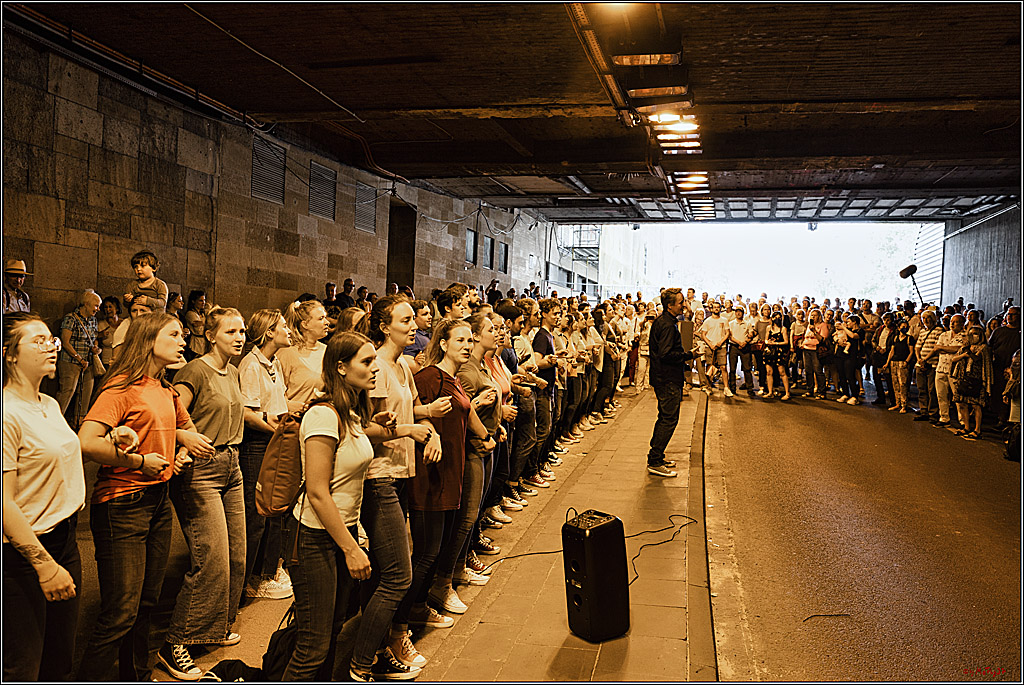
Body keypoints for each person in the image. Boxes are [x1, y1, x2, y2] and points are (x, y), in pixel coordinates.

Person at [77, 312, 214, 681]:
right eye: (174, 334)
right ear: (149, 339)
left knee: (145, 605)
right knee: (121, 611)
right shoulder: (122, 386)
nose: (183, 339)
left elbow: (186, 427)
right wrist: (138, 460)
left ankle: (135, 676)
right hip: (122, 504)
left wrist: (183, 447)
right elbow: (87, 442)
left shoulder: (165, 387)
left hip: (157, 500)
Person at [284, 331, 413, 681]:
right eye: (366, 362)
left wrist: (384, 427)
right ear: (341, 367)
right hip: (315, 538)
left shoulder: (350, 412)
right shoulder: (323, 416)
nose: (375, 369)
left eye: (375, 360)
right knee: (312, 649)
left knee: (330, 636)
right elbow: (317, 492)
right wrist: (351, 548)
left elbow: (356, 442)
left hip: (338, 535)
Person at [350, 298, 441, 680]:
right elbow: (365, 426)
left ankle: (385, 641)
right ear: (385, 326)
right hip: (379, 475)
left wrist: (431, 426)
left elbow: (413, 411)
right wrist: (407, 429)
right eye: (405, 320)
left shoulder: (403, 364)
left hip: (402, 473)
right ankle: (362, 661)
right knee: (397, 575)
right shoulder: (378, 369)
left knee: (391, 570)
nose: (414, 325)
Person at [162, 308, 248, 677]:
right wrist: (185, 442)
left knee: (238, 556)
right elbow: (172, 412)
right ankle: (176, 640)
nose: (240, 336)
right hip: (202, 470)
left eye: (242, 330)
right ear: (211, 335)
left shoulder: (233, 370)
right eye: (231, 331)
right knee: (211, 557)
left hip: (232, 464)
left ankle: (212, 627)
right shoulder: (195, 370)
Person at [3, 313, 86, 680]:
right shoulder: (6, 414)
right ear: (10, 354)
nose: (52, 345)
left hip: (65, 538)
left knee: (59, 658)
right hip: (23, 552)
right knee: (23, 666)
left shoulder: (49, 404)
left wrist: (116, 441)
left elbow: (56, 454)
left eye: (52, 339)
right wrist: (43, 564)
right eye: (38, 340)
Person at [238, 310, 292, 601]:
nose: (288, 330)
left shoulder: (274, 363)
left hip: (274, 438)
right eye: (283, 326)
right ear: (269, 332)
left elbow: (277, 403)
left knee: (273, 510)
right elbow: (248, 413)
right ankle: (244, 582)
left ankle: (265, 573)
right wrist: (274, 427)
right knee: (255, 513)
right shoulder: (250, 364)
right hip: (258, 443)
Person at [647, 288, 693, 477]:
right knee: (668, 419)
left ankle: (657, 456)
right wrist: (689, 355)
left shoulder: (666, 321)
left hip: (665, 378)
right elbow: (665, 354)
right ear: (670, 305)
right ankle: (655, 460)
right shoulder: (666, 325)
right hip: (667, 380)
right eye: (681, 302)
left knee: (665, 418)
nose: (684, 305)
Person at [56, 289, 102, 425]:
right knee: (67, 392)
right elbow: (65, 341)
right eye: (96, 305)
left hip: (88, 363)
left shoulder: (93, 320)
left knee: (85, 395)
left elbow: (94, 339)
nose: (98, 309)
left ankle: (80, 424)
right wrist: (78, 359)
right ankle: (56, 422)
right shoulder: (71, 318)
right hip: (71, 362)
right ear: (86, 304)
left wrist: (95, 348)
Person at [278, 300, 329, 412]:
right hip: (294, 419)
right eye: (321, 319)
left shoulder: (327, 350)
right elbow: (276, 394)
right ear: (305, 324)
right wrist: (289, 405)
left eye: (325, 317)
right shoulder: (287, 353)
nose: (327, 322)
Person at [951, 326, 993, 440]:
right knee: (962, 404)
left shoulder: (984, 348)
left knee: (976, 405)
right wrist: (964, 353)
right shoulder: (966, 347)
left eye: (976, 334)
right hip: (964, 378)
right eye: (971, 334)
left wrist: (969, 353)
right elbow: (954, 359)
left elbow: (979, 360)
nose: (973, 336)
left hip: (977, 380)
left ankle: (977, 430)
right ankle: (966, 427)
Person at [883, 318, 916, 413]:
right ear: (898, 328)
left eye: (906, 327)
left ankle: (904, 404)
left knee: (903, 384)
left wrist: (906, 361)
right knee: (895, 384)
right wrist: (887, 362)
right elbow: (892, 351)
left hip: (903, 362)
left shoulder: (909, 338)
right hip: (894, 362)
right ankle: (898, 403)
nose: (904, 329)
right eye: (903, 327)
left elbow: (911, 351)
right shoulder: (895, 338)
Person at [761, 311, 792, 400]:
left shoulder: (783, 329)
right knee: (769, 372)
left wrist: (776, 343)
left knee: (782, 372)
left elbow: (786, 341)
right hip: (769, 352)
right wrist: (768, 342)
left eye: (779, 317)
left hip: (779, 352)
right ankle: (770, 392)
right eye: (775, 317)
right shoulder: (768, 328)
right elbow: (765, 339)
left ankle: (787, 393)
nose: (777, 319)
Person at [402, 299, 432, 374]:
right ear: (414, 318)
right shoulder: (413, 337)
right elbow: (409, 364)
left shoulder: (424, 335)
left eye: (429, 313)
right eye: (425, 314)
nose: (430, 317)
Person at [96, 296, 123, 370]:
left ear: (117, 308)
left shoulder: (124, 324)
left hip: (122, 362)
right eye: (105, 307)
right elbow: (94, 339)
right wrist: (100, 335)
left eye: (110, 307)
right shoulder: (101, 325)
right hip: (106, 362)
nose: (108, 310)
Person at [183, 290, 208, 360]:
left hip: (203, 344)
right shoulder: (190, 314)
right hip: (196, 345)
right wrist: (206, 323)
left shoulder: (203, 314)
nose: (203, 303)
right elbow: (199, 330)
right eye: (200, 300)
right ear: (193, 301)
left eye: (204, 300)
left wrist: (202, 323)